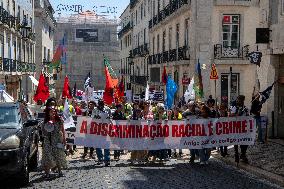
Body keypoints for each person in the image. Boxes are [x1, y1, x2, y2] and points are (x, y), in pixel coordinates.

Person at [41, 107, 67, 179]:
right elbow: (43, 132)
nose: (53, 113)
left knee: (58, 154)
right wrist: (47, 127)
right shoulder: (45, 121)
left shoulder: (59, 120)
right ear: (48, 113)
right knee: (47, 155)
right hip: (48, 140)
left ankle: (60, 171)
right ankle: (47, 173)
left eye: (54, 111)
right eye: (51, 112)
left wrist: (64, 139)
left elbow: (63, 130)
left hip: (58, 139)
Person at [230, 95, 249, 164]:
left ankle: (243, 154)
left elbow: (248, 116)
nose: (238, 101)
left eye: (240, 100)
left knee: (245, 141)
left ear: (242, 100)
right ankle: (236, 153)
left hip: (243, 127)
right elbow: (231, 115)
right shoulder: (233, 106)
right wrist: (237, 114)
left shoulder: (245, 108)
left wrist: (247, 115)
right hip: (235, 126)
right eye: (238, 99)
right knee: (236, 141)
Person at [93, 99, 112, 166]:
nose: (101, 106)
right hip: (98, 129)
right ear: (98, 104)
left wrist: (108, 117)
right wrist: (97, 116)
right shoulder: (95, 109)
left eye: (102, 104)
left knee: (106, 144)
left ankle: (107, 159)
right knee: (98, 145)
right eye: (100, 104)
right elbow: (92, 118)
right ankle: (100, 158)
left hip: (106, 129)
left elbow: (111, 118)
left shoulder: (107, 109)